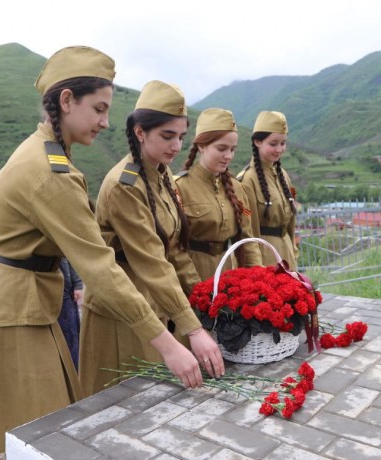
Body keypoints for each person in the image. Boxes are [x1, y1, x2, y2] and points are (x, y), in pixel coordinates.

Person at [0, 46, 214, 455]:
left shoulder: (50, 156)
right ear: (66, 100)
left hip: (28, 302)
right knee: (39, 434)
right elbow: (100, 267)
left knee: (53, 426)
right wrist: (169, 344)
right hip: (14, 309)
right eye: (98, 108)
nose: (105, 121)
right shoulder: (50, 172)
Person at [79, 80, 225, 397]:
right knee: (126, 407)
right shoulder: (125, 185)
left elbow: (174, 248)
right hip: (123, 313)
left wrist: (203, 298)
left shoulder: (161, 174)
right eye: (167, 136)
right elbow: (152, 262)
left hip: (154, 304)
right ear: (140, 132)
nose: (176, 146)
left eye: (181, 137)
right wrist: (193, 327)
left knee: (159, 401)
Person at [175, 108, 262, 280]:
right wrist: (197, 288)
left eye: (232, 149)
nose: (228, 156)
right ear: (201, 146)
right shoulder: (179, 187)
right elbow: (174, 249)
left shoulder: (238, 189)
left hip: (229, 278)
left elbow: (248, 241)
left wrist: (258, 280)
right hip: (193, 277)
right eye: (221, 148)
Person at [236, 111, 299, 268]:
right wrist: (257, 268)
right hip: (266, 259)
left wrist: (293, 250)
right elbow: (250, 231)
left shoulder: (283, 175)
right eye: (273, 144)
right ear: (257, 142)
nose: (279, 149)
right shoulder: (247, 180)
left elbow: (290, 222)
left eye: (283, 143)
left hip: (288, 256)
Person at [57, 257, 83, 370]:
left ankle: (75, 372)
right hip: (49, 287)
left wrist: (77, 284)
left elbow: (69, 255)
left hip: (66, 289)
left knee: (72, 336)